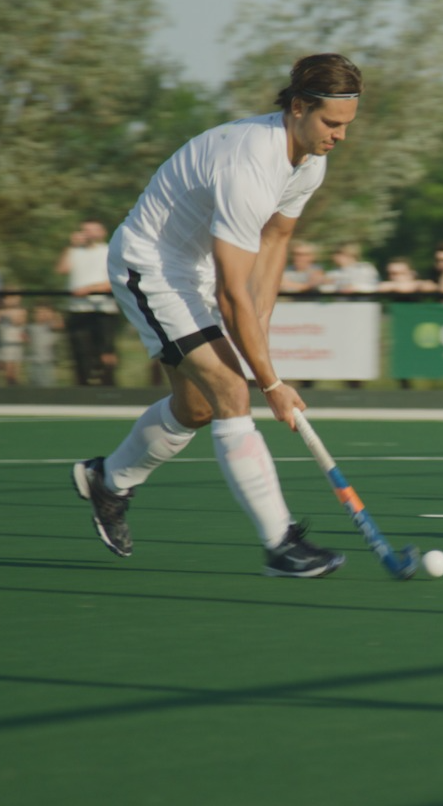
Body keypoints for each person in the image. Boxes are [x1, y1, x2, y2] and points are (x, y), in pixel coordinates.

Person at [70, 52, 363, 577]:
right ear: (298, 107)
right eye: (332, 123)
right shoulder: (250, 161)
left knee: (199, 409)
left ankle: (108, 480)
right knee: (232, 391)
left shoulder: (310, 161)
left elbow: (275, 241)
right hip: (151, 266)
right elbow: (233, 294)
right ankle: (281, 545)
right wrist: (269, 383)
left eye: (346, 125)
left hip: (197, 270)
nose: (340, 136)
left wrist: (262, 346)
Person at [55, 220, 121, 385]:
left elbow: (115, 281)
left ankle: (109, 384)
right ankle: (83, 385)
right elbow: (62, 270)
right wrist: (70, 247)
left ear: (102, 232)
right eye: (85, 230)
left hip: (102, 308)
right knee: (80, 350)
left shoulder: (109, 251)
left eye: (93, 229)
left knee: (105, 350)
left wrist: (89, 289)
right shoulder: (74, 252)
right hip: (77, 309)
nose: (88, 233)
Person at [26, 303, 63, 387]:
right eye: (38, 312)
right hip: (33, 361)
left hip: (47, 362)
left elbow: (60, 325)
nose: (41, 315)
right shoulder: (31, 327)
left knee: (47, 384)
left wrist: (54, 315)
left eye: (44, 312)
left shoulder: (50, 326)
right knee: (34, 383)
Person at [0, 294, 24, 386]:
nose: (12, 300)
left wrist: (7, 314)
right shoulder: (2, 311)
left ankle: (14, 390)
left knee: (14, 372)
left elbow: (18, 321)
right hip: (4, 344)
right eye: (9, 298)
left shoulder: (20, 311)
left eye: (15, 298)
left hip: (15, 344)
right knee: (7, 371)